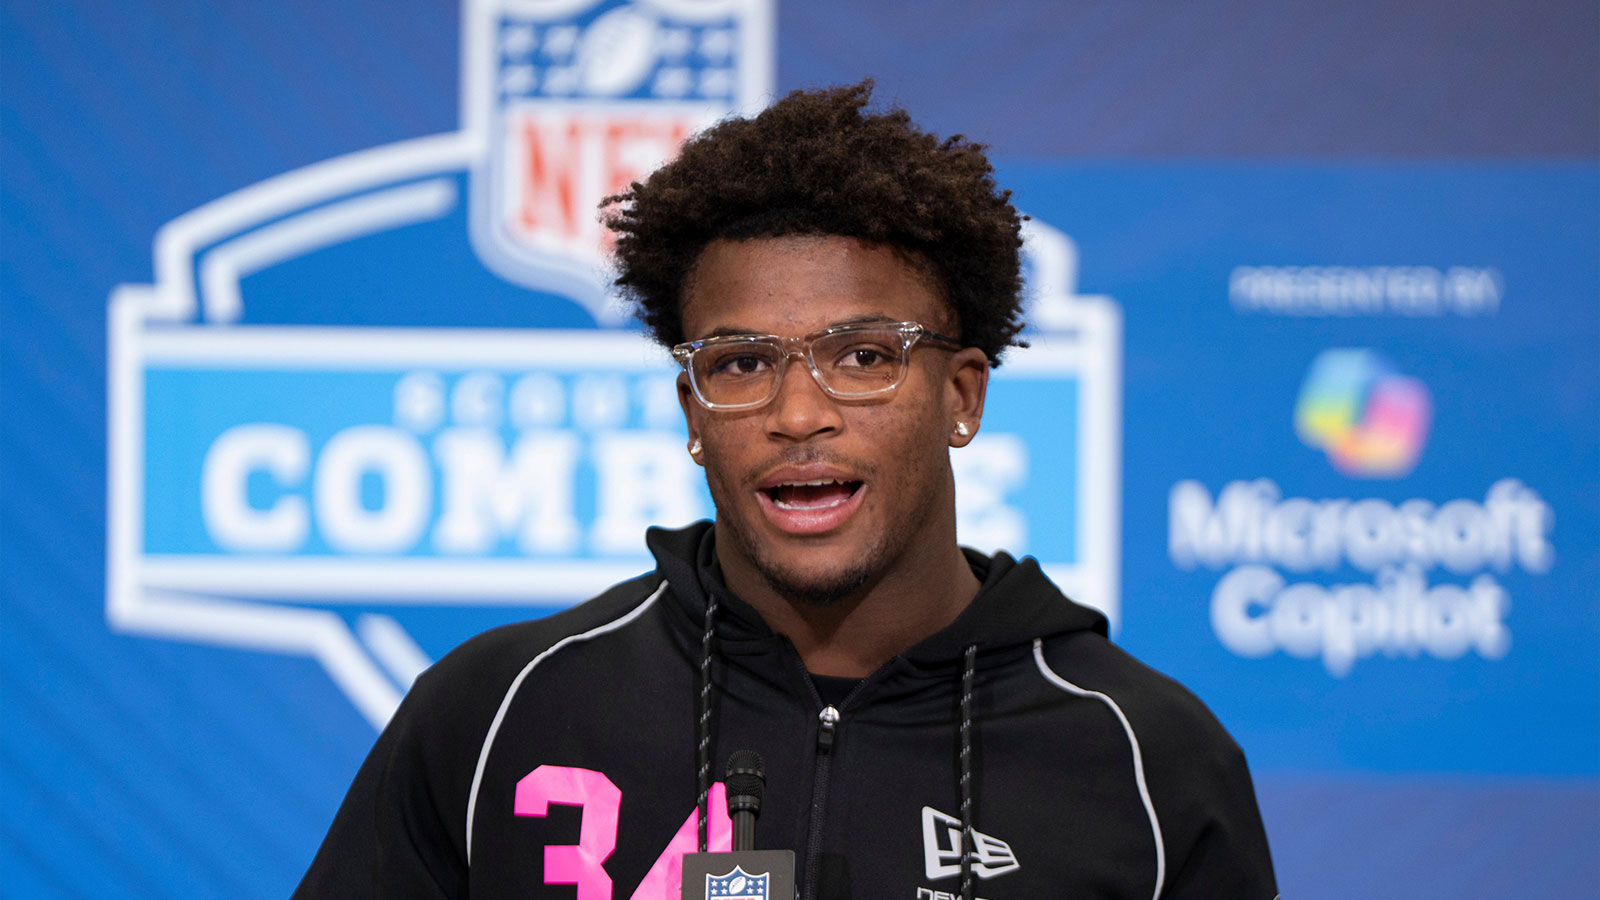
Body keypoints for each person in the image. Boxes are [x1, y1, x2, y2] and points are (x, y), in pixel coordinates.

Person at [294, 81, 1278, 900]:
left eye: (863, 356)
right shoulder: (498, 709)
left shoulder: (1146, 761)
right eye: (740, 363)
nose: (798, 413)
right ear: (692, 411)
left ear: (962, 396)